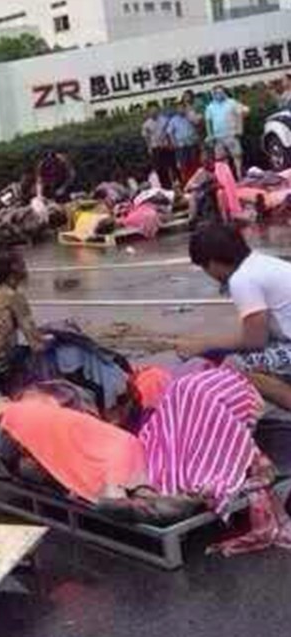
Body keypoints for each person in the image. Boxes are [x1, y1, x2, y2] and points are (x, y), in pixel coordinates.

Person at [179, 227, 291, 411]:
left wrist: (204, 345)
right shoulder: (260, 262)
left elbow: (255, 339)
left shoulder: (242, 279)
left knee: (233, 366)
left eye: (204, 268)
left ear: (213, 263)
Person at [0, 247, 47, 391]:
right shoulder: (13, 296)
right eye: (22, 263)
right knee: (49, 355)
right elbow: (35, 341)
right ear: (14, 268)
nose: (26, 267)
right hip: (2, 366)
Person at [205, 86, 249, 180]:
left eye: (220, 92)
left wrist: (239, 128)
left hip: (232, 134)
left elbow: (243, 112)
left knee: (237, 157)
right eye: (216, 93)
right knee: (222, 161)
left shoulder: (232, 102)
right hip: (218, 137)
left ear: (224, 92)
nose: (218, 94)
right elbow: (208, 122)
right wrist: (210, 135)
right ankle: (227, 180)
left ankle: (240, 177)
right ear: (213, 95)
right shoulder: (210, 106)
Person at [141, 103, 177, 189]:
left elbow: (169, 133)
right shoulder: (146, 124)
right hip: (156, 148)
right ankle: (165, 187)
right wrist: (149, 148)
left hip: (166, 147)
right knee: (160, 169)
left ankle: (176, 184)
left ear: (158, 110)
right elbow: (146, 138)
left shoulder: (165, 120)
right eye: (151, 110)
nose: (153, 112)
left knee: (172, 166)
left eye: (155, 110)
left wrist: (171, 143)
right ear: (149, 112)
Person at [165, 105, 200, 184]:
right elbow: (169, 132)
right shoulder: (173, 120)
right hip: (181, 146)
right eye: (179, 108)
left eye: (182, 108)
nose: (181, 110)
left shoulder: (190, 117)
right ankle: (186, 181)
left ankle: (196, 180)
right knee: (183, 165)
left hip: (192, 144)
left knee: (194, 163)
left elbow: (197, 125)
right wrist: (174, 143)